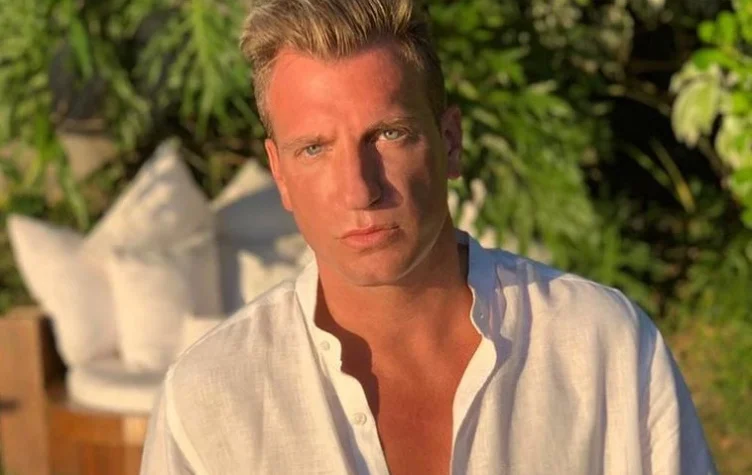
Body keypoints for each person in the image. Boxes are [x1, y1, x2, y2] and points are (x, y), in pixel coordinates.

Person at [140, 0, 716, 473]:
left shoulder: (603, 349)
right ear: (280, 174)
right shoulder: (210, 399)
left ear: (451, 142)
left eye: (388, 135)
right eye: (314, 148)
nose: (359, 190)